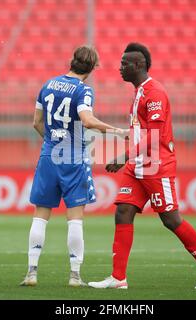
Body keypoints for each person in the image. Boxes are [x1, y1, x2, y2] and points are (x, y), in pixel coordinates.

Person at [88, 43, 196, 290]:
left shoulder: (155, 93)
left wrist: (123, 156)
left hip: (157, 165)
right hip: (138, 166)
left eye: (125, 63)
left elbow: (153, 135)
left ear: (138, 65)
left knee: (170, 219)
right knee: (123, 212)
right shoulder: (139, 92)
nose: (120, 68)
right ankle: (118, 278)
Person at [20, 45, 127, 287]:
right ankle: (75, 275)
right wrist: (117, 132)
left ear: (71, 61)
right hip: (74, 158)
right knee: (75, 218)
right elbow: (87, 120)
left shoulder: (48, 85)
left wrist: (52, 142)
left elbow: (36, 122)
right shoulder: (84, 90)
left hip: (49, 155)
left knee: (40, 215)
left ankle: (31, 273)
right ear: (92, 69)